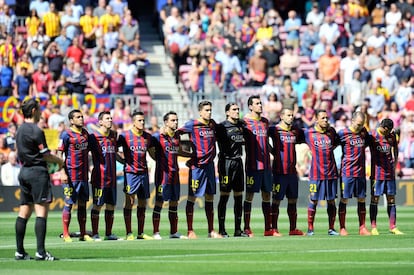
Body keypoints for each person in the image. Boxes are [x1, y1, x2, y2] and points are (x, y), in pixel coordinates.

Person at [15, 98, 63, 261]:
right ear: (34, 111)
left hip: (24, 172)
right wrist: (60, 161)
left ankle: (20, 251)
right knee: (41, 212)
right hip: (37, 173)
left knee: (24, 212)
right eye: (40, 109)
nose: (42, 112)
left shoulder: (19, 130)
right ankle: (41, 252)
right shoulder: (36, 131)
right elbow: (46, 155)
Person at [178, 101, 222, 239]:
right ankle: (190, 230)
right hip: (197, 167)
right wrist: (184, 152)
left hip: (209, 166)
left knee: (210, 197)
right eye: (207, 110)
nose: (209, 112)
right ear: (200, 112)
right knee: (192, 197)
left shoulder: (212, 124)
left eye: (210, 110)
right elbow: (175, 133)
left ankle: (211, 231)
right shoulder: (192, 124)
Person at [151, 111, 190, 239]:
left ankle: (174, 232)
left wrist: (192, 155)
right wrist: (156, 158)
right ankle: (156, 232)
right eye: (173, 120)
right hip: (163, 174)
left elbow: (177, 150)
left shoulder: (177, 135)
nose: (176, 122)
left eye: (176, 120)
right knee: (160, 202)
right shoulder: (158, 136)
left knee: (174, 202)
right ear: (166, 122)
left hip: (175, 173)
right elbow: (148, 147)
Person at [57, 109, 94, 242]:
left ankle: (83, 234)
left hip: (83, 175)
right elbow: (59, 153)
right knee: (69, 203)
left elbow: (89, 153)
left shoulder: (85, 134)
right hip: (70, 176)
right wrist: (62, 171)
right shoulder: (66, 135)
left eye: (82, 117)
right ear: (71, 121)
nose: (81, 119)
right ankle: (66, 234)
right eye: (78, 117)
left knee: (83, 204)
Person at [118, 111, 155, 240]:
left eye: (143, 120)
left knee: (142, 202)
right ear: (133, 122)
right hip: (131, 173)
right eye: (139, 120)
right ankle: (129, 232)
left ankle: (141, 233)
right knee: (129, 201)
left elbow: (153, 152)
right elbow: (114, 149)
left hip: (143, 173)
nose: (142, 122)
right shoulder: (125, 136)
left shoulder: (148, 137)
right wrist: (122, 161)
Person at [268, 108, 305, 236]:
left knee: (293, 200)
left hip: (292, 173)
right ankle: (274, 229)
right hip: (279, 172)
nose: (291, 117)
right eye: (288, 115)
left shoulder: (296, 131)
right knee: (276, 201)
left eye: (292, 115)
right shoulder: (274, 130)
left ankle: (293, 229)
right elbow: (262, 139)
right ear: (282, 116)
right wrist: (272, 151)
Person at [304, 109, 340, 236]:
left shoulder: (331, 132)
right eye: (323, 118)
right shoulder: (309, 133)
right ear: (316, 119)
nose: (325, 120)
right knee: (313, 200)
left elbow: (336, 144)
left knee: (331, 201)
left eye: (326, 118)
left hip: (331, 172)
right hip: (316, 173)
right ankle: (310, 229)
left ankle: (331, 228)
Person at [242, 95, 274, 237]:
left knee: (267, 195)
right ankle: (247, 228)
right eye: (257, 103)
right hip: (252, 166)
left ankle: (268, 228)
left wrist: (273, 152)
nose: (260, 105)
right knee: (249, 195)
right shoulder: (244, 122)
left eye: (260, 103)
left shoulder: (265, 122)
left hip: (266, 166)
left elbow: (266, 142)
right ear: (250, 107)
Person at [215, 103, 248, 238]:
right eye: (234, 110)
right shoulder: (221, 127)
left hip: (239, 162)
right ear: (227, 112)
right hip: (226, 163)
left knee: (239, 197)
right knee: (224, 196)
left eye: (238, 109)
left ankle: (238, 230)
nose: (237, 111)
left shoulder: (241, 125)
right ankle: (222, 230)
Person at [337, 111, 371, 236]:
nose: (360, 127)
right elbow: (332, 146)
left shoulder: (363, 132)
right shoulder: (342, 133)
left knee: (361, 199)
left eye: (362, 124)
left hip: (361, 172)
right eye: (358, 124)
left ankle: (362, 227)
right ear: (352, 121)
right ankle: (342, 228)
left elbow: (367, 143)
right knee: (344, 199)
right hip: (347, 172)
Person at [89, 111, 120, 241]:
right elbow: (86, 153)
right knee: (97, 204)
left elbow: (115, 153)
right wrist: (90, 167)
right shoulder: (93, 137)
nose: (110, 120)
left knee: (111, 205)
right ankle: (95, 233)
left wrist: (124, 161)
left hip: (112, 178)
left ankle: (108, 234)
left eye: (111, 118)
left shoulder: (113, 135)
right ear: (100, 122)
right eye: (107, 118)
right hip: (99, 178)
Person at [369, 118, 404, 235]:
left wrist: (395, 161)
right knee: (375, 199)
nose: (388, 133)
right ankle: (373, 227)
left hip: (389, 173)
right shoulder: (372, 135)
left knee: (391, 199)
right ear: (384, 128)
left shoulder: (392, 136)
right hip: (376, 174)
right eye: (387, 131)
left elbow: (396, 149)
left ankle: (393, 227)